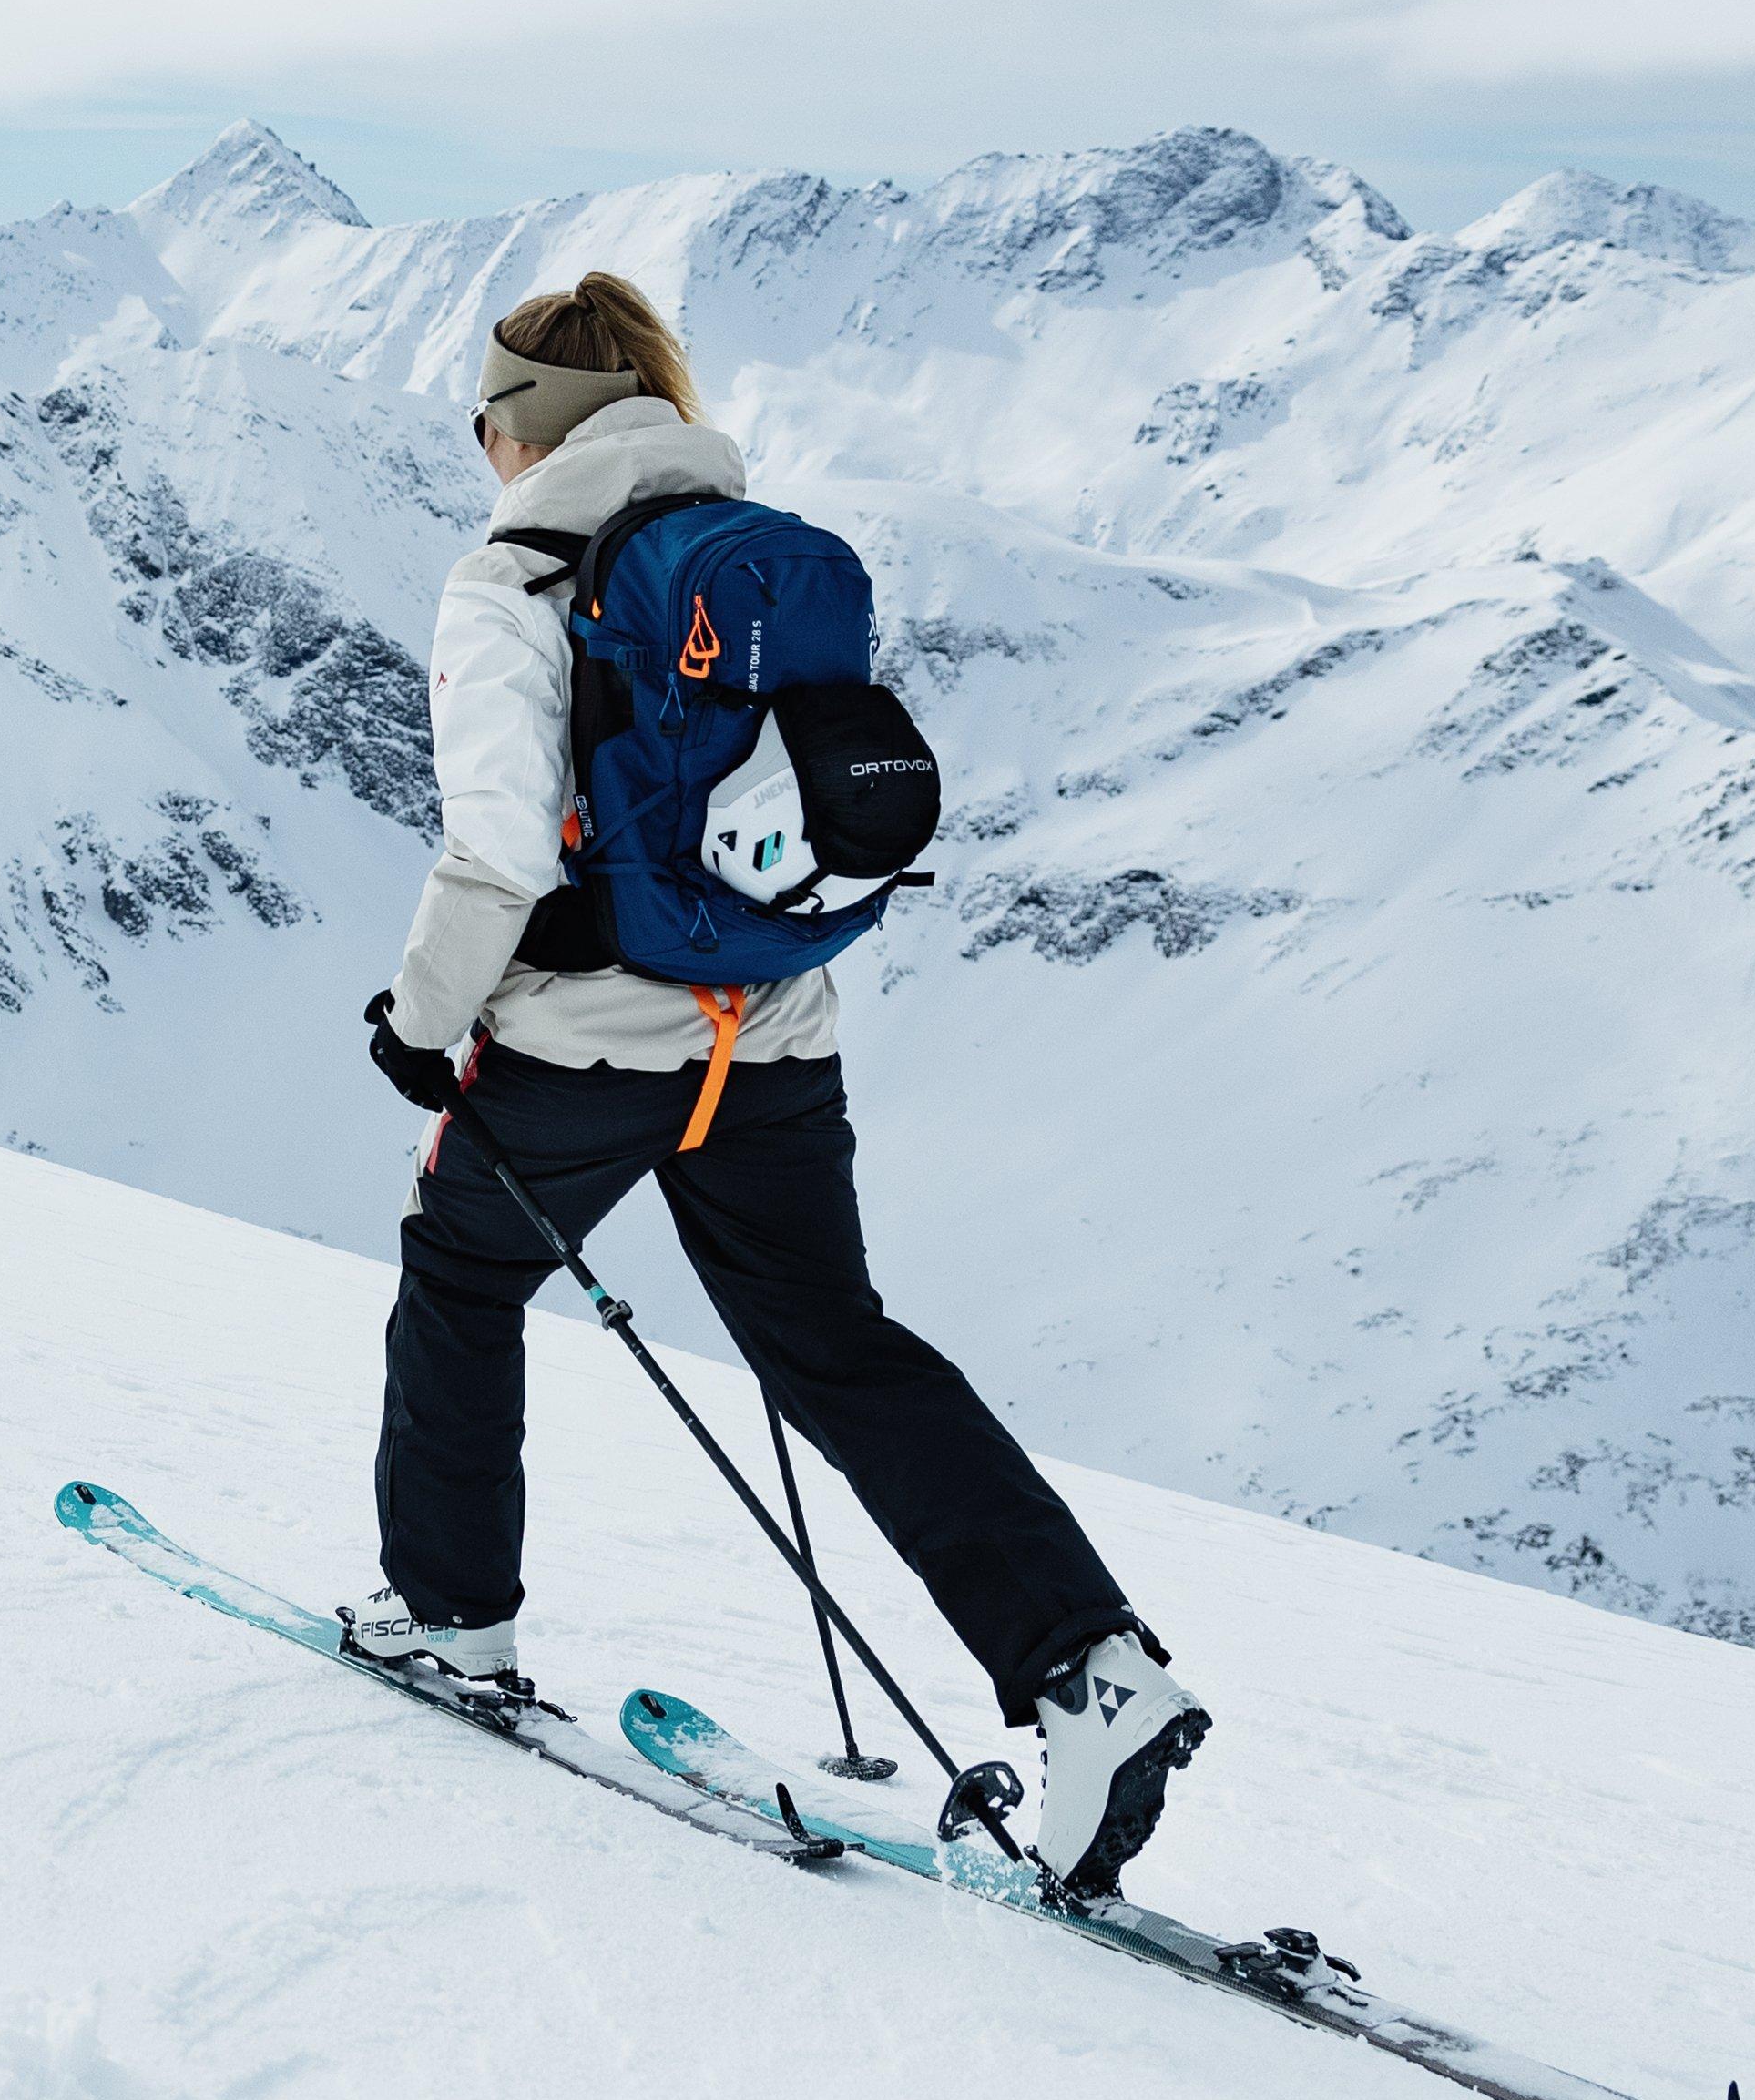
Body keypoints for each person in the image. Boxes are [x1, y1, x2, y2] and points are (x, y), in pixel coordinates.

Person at [351, 271, 1210, 1896]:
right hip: (772, 1035)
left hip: (585, 1042)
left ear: (522, 425)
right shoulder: (761, 554)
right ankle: (1090, 1667)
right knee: (835, 1344)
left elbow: (500, 846)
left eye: (483, 422)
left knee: (459, 1276)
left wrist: (419, 1017)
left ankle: (451, 1621)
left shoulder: (513, 582)